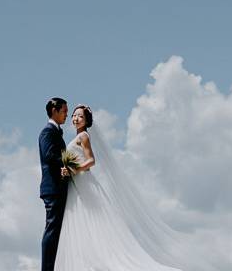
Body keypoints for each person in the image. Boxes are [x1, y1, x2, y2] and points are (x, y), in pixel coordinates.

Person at [53, 104, 194, 271]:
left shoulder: (83, 136)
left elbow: (91, 160)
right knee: (83, 221)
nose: (76, 119)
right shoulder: (76, 137)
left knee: (91, 220)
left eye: (80, 116)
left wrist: (73, 169)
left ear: (86, 121)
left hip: (84, 182)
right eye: (74, 116)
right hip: (77, 183)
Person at [39, 97, 70, 271]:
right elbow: (49, 156)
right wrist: (69, 162)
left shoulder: (56, 132)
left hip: (59, 187)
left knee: (57, 229)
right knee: (52, 228)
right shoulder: (47, 132)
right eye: (64, 111)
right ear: (54, 111)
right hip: (53, 187)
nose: (66, 114)